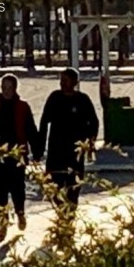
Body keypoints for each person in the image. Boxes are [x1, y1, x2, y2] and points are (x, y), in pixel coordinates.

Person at [37, 67, 100, 220]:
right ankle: (61, 212)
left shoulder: (82, 100)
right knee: (54, 184)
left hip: (75, 152)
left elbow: (94, 122)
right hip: (56, 149)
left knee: (74, 186)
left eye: (65, 80)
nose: (62, 83)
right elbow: (44, 121)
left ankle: (70, 214)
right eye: (61, 80)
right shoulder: (54, 98)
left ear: (74, 82)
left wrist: (89, 143)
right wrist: (39, 147)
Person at [0, 74, 39, 241]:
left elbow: (31, 130)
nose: (6, 91)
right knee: (0, 191)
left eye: (9, 87)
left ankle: (20, 213)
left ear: (15, 89)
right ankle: (2, 223)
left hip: (17, 154)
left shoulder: (23, 108)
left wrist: (37, 152)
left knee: (18, 188)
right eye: (4, 87)